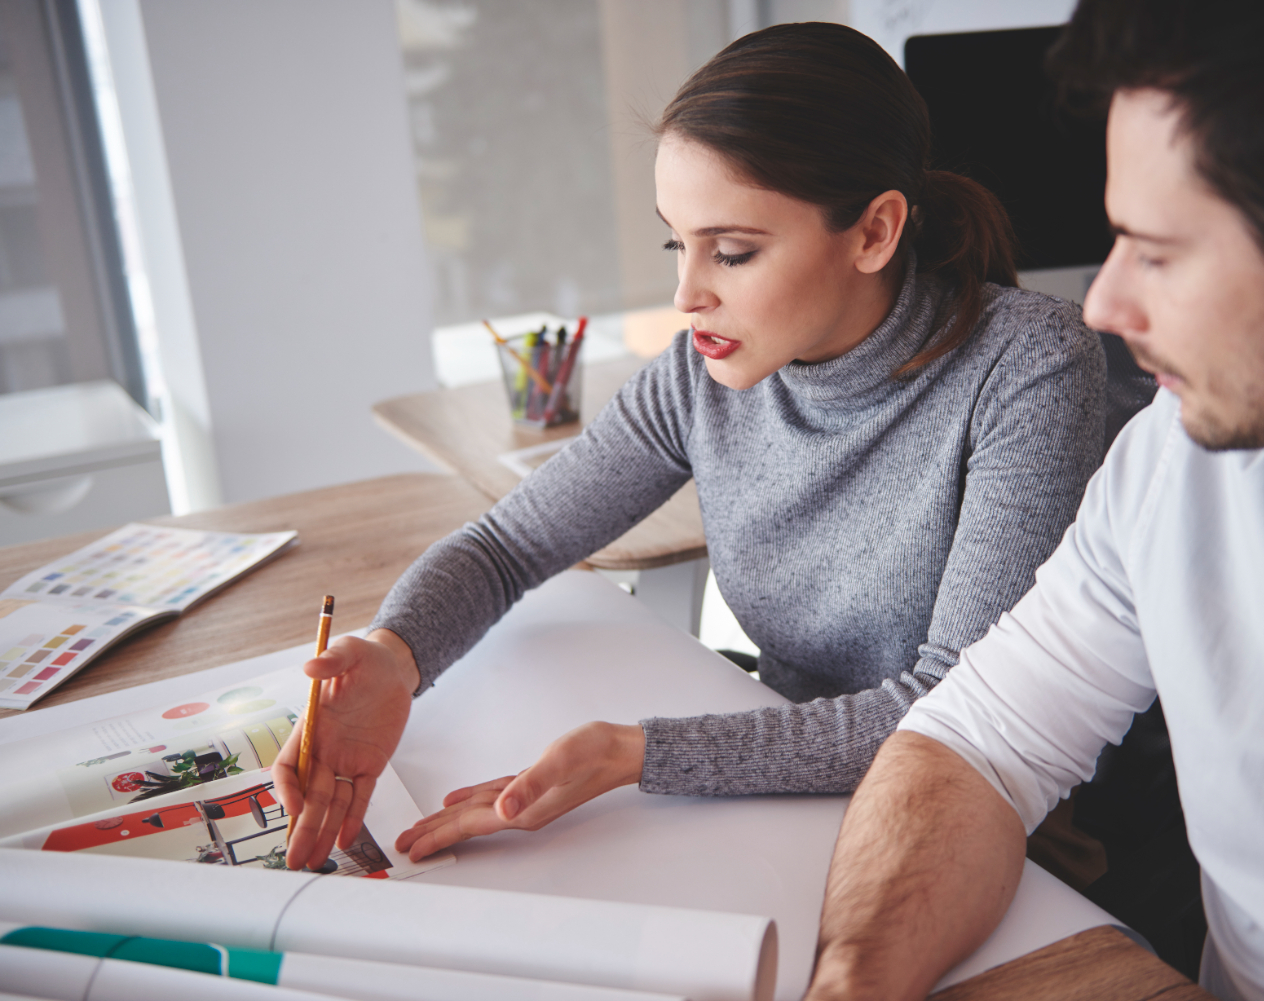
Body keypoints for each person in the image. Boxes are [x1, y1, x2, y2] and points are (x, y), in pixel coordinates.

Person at [272, 23, 1120, 873]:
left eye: (734, 251)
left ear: (874, 233)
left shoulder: (1032, 366)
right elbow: (506, 546)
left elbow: (952, 707)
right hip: (777, 796)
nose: (686, 294)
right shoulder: (699, 372)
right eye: (678, 242)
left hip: (966, 816)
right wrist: (394, 653)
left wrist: (636, 754)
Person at [804, 2, 1264, 1000]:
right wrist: (857, 980)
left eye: (1156, 252)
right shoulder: (1179, 462)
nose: (1103, 305)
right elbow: (979, 741)